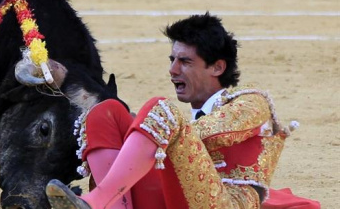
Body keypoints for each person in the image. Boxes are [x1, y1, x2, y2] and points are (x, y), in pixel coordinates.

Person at [45, 13, 319, 209]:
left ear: (217, 67)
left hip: (229, 203)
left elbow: (208, 135)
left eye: (185, 61)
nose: (173, 69)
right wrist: (68, 79)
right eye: (172, 59)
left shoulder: (251, 101)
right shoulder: (180, 124)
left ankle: (95, 202)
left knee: (159, 110)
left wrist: (152, 131)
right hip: (174, 197)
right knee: (106, 113)